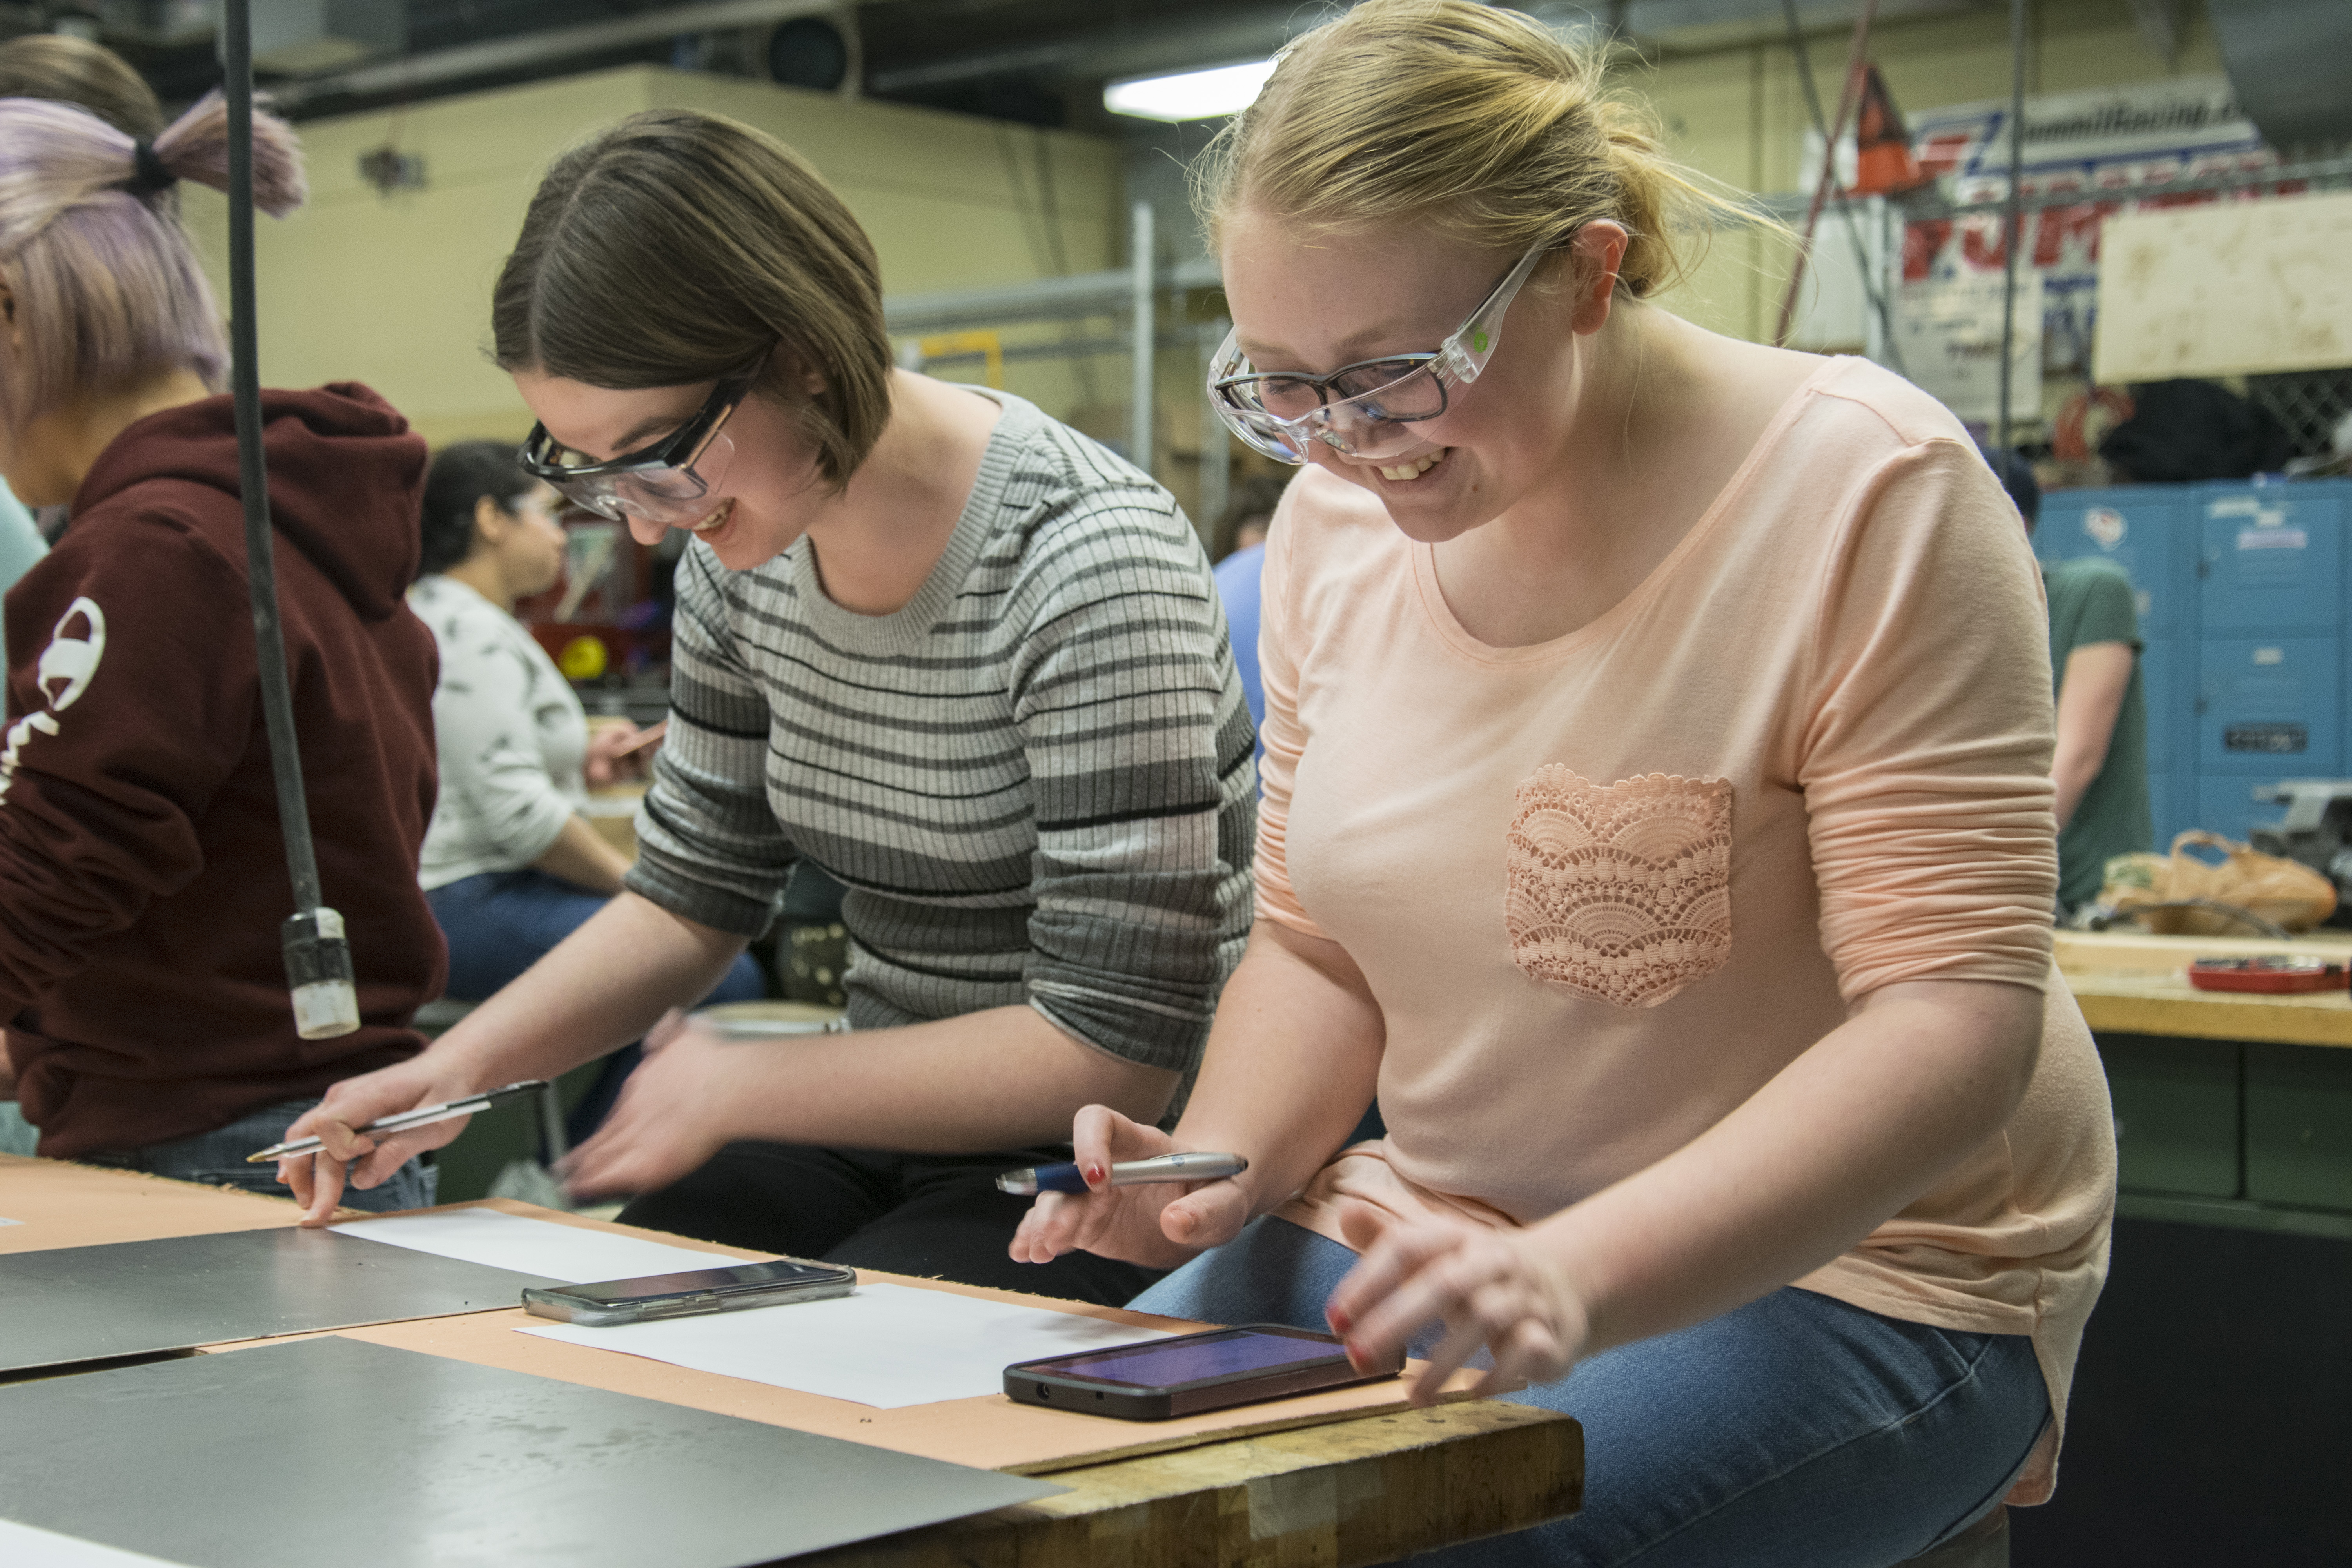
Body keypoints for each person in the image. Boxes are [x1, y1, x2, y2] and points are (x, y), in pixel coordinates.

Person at [1011, 5, 2114, 1564]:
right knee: (1047, 1488)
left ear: (1588, 274)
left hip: (1866, 1269)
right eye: (1282, 385)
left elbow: (1956, 1024)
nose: (1344, 442)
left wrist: (1580, 1277)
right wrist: (1218, 1167)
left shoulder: (1868, 494)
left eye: (1392, 376)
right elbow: (1320, 947)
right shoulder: (1337, 527)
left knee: (1428, 1537)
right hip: (1438, 1232)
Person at [280, 108, 1256, 1307]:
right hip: (882, 1114)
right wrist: (449, 1068)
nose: (640, 520)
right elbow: (689, 898)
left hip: (1109, 1160)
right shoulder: (739, 565)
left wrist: (743, 1084)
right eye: (592, 477)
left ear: (799, 352)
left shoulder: (1084, 558)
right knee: (599, 1333)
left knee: (800, 1394)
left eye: (659, 458)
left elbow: (1113, 1049)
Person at [0, 93, 445, 1207]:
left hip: (203, 1158)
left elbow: (43, 866)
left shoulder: (155, 549)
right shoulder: (293, 520)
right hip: (317, 1138)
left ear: (10, 312)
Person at [412, 441, 763, 1140]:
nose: (555, 536)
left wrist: (581, 756)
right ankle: (586, 1174)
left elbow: (484, 760)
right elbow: (520, 820)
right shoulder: (469, 630)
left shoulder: (446, 616)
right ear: (490, 520)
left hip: (473, 889)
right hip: (468, 897)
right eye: (543, 513)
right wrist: (650, 895)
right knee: (720, 976)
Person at [1985, 444, 2150, 911]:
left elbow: (2076, 759)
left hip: (2090, 897)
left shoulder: (2093, 593)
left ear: (2019, 522)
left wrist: (1990, 875)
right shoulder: (1943, 620)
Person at [1208, 473, 1288, 753]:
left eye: (1283, 527)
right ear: (1232, 530)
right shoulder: (1218, 592)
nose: (1273, 540)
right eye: (1261, 527)